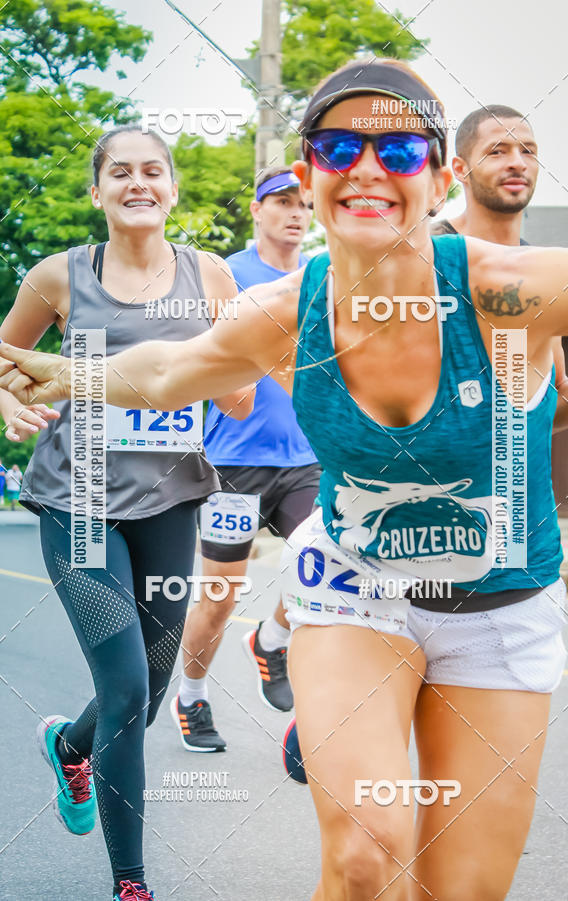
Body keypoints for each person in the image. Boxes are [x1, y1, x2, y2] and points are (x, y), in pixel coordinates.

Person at [3, 59, 568, 899]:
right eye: (337, 145)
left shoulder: (510, 289)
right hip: (357, 596)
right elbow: (175, 367)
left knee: (459, 889)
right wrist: (63, 376)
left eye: (398, 151)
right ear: (311, 168)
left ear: (439, 176)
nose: (365, 168)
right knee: (364, 854)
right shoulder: (288, 308)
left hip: (501, 612)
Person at [0, 125, 253, 901]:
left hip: (171, 498)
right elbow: (5, 359)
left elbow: (238, 391)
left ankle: (69, 745)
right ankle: (131, 883)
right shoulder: (60, 277)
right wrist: (8, 400)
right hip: (77, 500)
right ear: (98, 190)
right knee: (126, 688)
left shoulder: (209, 276)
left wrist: (220, 368)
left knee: (143, 684)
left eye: (152, 171)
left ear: (172, 188)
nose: (137, 182)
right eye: (121, 172)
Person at [172, 166, 317, 752]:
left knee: (330, 565)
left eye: (304, 203)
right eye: (281, 202)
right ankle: (191, 695)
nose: (295, 212)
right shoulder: (227, 275)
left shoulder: (324, 278)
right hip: (233, 465)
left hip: (307, 459)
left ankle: (272, 637)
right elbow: (196, 359)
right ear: (256, 210)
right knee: (219, 596)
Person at [432, 105, 568, 429]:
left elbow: (546, 412)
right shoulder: (421, 254)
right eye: (497, 151)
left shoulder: (542, 275)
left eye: (528, 151)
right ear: (460, 168)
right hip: (423, 478)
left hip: (512, 476)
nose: (517, 162)